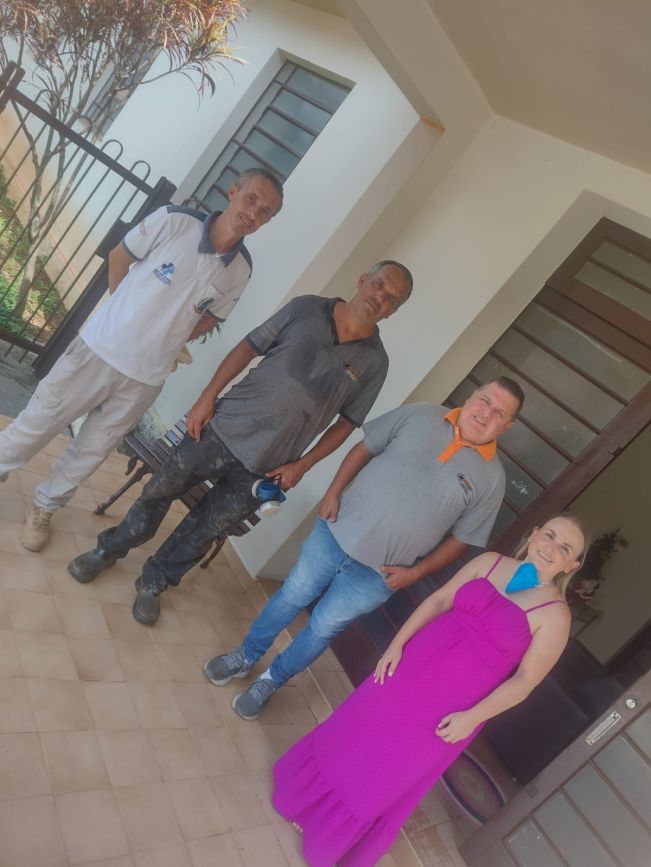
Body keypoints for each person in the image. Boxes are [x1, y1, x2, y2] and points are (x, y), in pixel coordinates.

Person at [69, 260, 414, 625]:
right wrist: (207, 397)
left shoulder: (375, 363)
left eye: (392, 299)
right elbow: (249, 348)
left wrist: (302, 465)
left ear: (393, 312)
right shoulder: (306, 309)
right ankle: (110, 549)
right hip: (220, 429)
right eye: (379, 284)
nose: (380, 298)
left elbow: (346, 424)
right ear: (363, 279)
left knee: (207, 528)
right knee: (159, 491)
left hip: (268, 466)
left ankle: (155, 580)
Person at [272, 513, 589, 867]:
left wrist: (473, 717)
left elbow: (525, 681)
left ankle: (328, 832)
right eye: (550, 535)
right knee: (355, 731)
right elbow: (439, 601)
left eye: (565, 548)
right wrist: (397, 644)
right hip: (412, 666)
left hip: (453, 706)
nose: (551, 548)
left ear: (571, 565)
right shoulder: (489, 562)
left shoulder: (555, 616)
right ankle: (304, 803)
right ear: (534, 534)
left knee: (389, 768)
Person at [205, 378, 524, 721]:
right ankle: (246, 655)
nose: (486, 413)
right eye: (484, 400)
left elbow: (462, 539)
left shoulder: (492, 480)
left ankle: (272, 679)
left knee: (323, 627)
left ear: (507, 426)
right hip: (335, 530)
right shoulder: (421, 414)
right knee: (291, 595)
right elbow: (365, 448)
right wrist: (332, 493)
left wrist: (416, 573)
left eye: (499, 412)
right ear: (472, 396)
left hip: (379, 574)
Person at [0, 167, 283, 552]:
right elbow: (119, 257)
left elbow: (211, 318)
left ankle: (45, 506)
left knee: (93, 449)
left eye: (266, 211)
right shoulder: (174, 221)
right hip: (98, 351)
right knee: (39, 421)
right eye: (251, 199)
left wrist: (169, 339)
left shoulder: (240, 269)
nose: (254, 213)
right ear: (233, 191)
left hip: (146, 378)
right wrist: (125, 315)